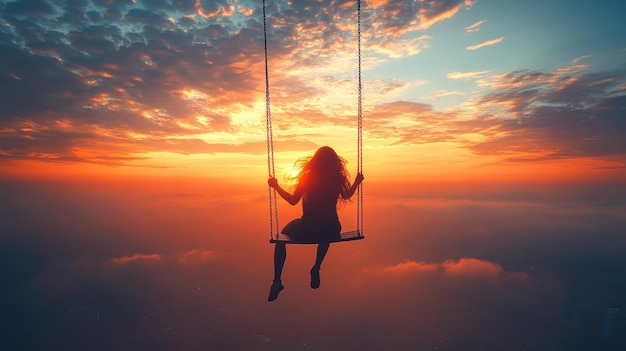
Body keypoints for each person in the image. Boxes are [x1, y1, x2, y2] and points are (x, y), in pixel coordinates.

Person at [266, 146, 364, 301]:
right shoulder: (336, 178)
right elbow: (346, 195)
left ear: (315, 161)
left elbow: (293, 201)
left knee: (281, 239)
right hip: (332, 228)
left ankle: (277, 280)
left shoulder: (308, 179)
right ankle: (317, 266)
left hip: (308, 228)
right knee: (326, 232)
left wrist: (276, 186)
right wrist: (357, 182)